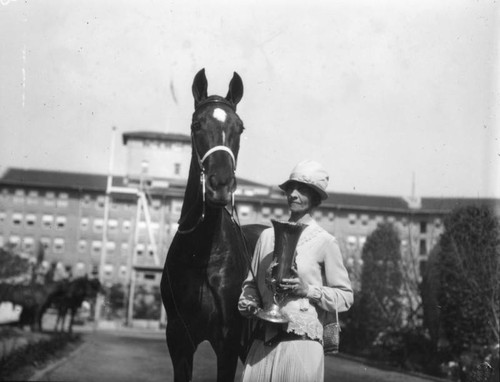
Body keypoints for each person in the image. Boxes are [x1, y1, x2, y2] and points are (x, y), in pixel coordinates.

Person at [238, 160, 353, 382]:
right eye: (290, 188)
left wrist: (308, 290)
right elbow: (250, 285)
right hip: (261, 346)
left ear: (315, 197)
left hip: (301, 347)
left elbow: (346, 297)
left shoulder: (325, 242)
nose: (293, 194)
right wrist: (249, 302)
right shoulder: (266, 237)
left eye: (302, 189)